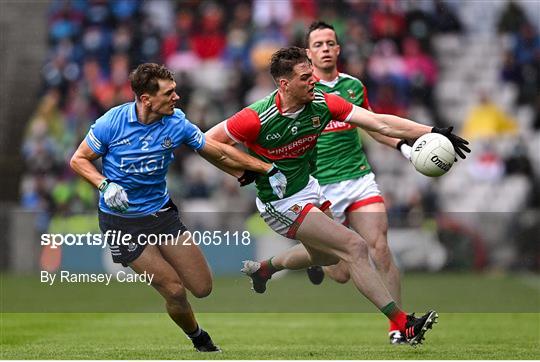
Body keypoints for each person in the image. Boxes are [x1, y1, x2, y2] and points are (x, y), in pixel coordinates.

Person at [206, 46, 470, 346]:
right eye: (306, 77)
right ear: (284, 84)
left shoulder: (323, 102)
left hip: (310, 188)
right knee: (355, 246)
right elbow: (206, 142)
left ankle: (266, 268)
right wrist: (246, 170)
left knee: (335, 264)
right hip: (280, 202)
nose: (314, 81)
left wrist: (431, 131)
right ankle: (403, 323)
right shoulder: (256, 117)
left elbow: (379, 122)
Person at [70, 63, 287, 353]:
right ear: (146, 99)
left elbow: (216, 150)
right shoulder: (112, 123)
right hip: (121, 223)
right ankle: (198, 337)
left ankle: (193, 325)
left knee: (202, 288)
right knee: (173, 289)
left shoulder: (177, 123)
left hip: (161, 215)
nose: (177, 97)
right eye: (169, 92)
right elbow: (79, 160)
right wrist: (104, 185)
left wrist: (265, 168)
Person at [298, 20, 411, 344]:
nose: (325, 49)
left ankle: (399, 327)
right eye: (318, 44)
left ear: (338, 48)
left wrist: (403, 146)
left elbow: (374, 125)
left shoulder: (353, 86)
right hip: (321, 187)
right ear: (308, 53)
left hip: (358, 178)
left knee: (381, 249)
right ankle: (317, 260)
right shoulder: (303, 91)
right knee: (343, 272)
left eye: (329, 43)